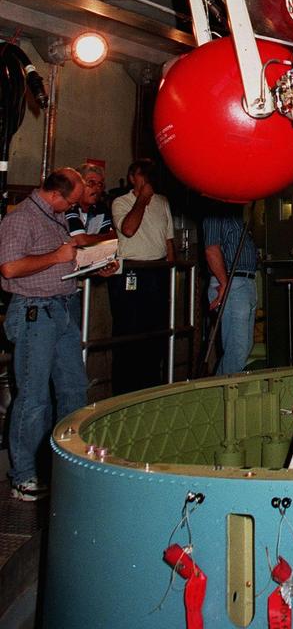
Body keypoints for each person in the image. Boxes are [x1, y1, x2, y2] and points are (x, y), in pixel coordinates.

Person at [0, 167, 88, 500]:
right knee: (34, 395)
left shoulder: (53, 217)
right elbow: (9, 268)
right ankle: (24, 476)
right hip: (36, 313)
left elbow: (59, 260)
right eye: (72, 202)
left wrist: (86, 262)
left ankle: (66, 465)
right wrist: (57, 257)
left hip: (63, 307)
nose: (72, 208)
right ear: (55, 195)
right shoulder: (20, 219)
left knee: (73, 388)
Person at [109, 159, 175, 393]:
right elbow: (128, 229)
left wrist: (170, 275)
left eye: (150, 175)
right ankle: (124, 392)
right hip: (131, 272)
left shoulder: (163, 202)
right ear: (131, 178)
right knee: (129, 336)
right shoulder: (121, 202)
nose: (147, 179)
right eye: (142, 174)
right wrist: (143, 199)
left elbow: (168, 241)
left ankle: (152, 389)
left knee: (155, 336)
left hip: (156, 274)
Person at [202, 204, 258, 375]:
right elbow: (211, 249)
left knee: (242, 348)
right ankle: (220, 397)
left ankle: (225, 393)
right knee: (237, 350)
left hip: (243, 281)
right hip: (232, 283)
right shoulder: (214, 211)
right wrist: (224, 283)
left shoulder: (234, 212)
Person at [66, 164, 115, 246]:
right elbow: (81, 241)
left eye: (100, 184)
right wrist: (108, 236)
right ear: (77, 185)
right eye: (91, 182)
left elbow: (110, 241)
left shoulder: (101, 209)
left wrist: (89, 238)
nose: (96, 188)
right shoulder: (68, 206)